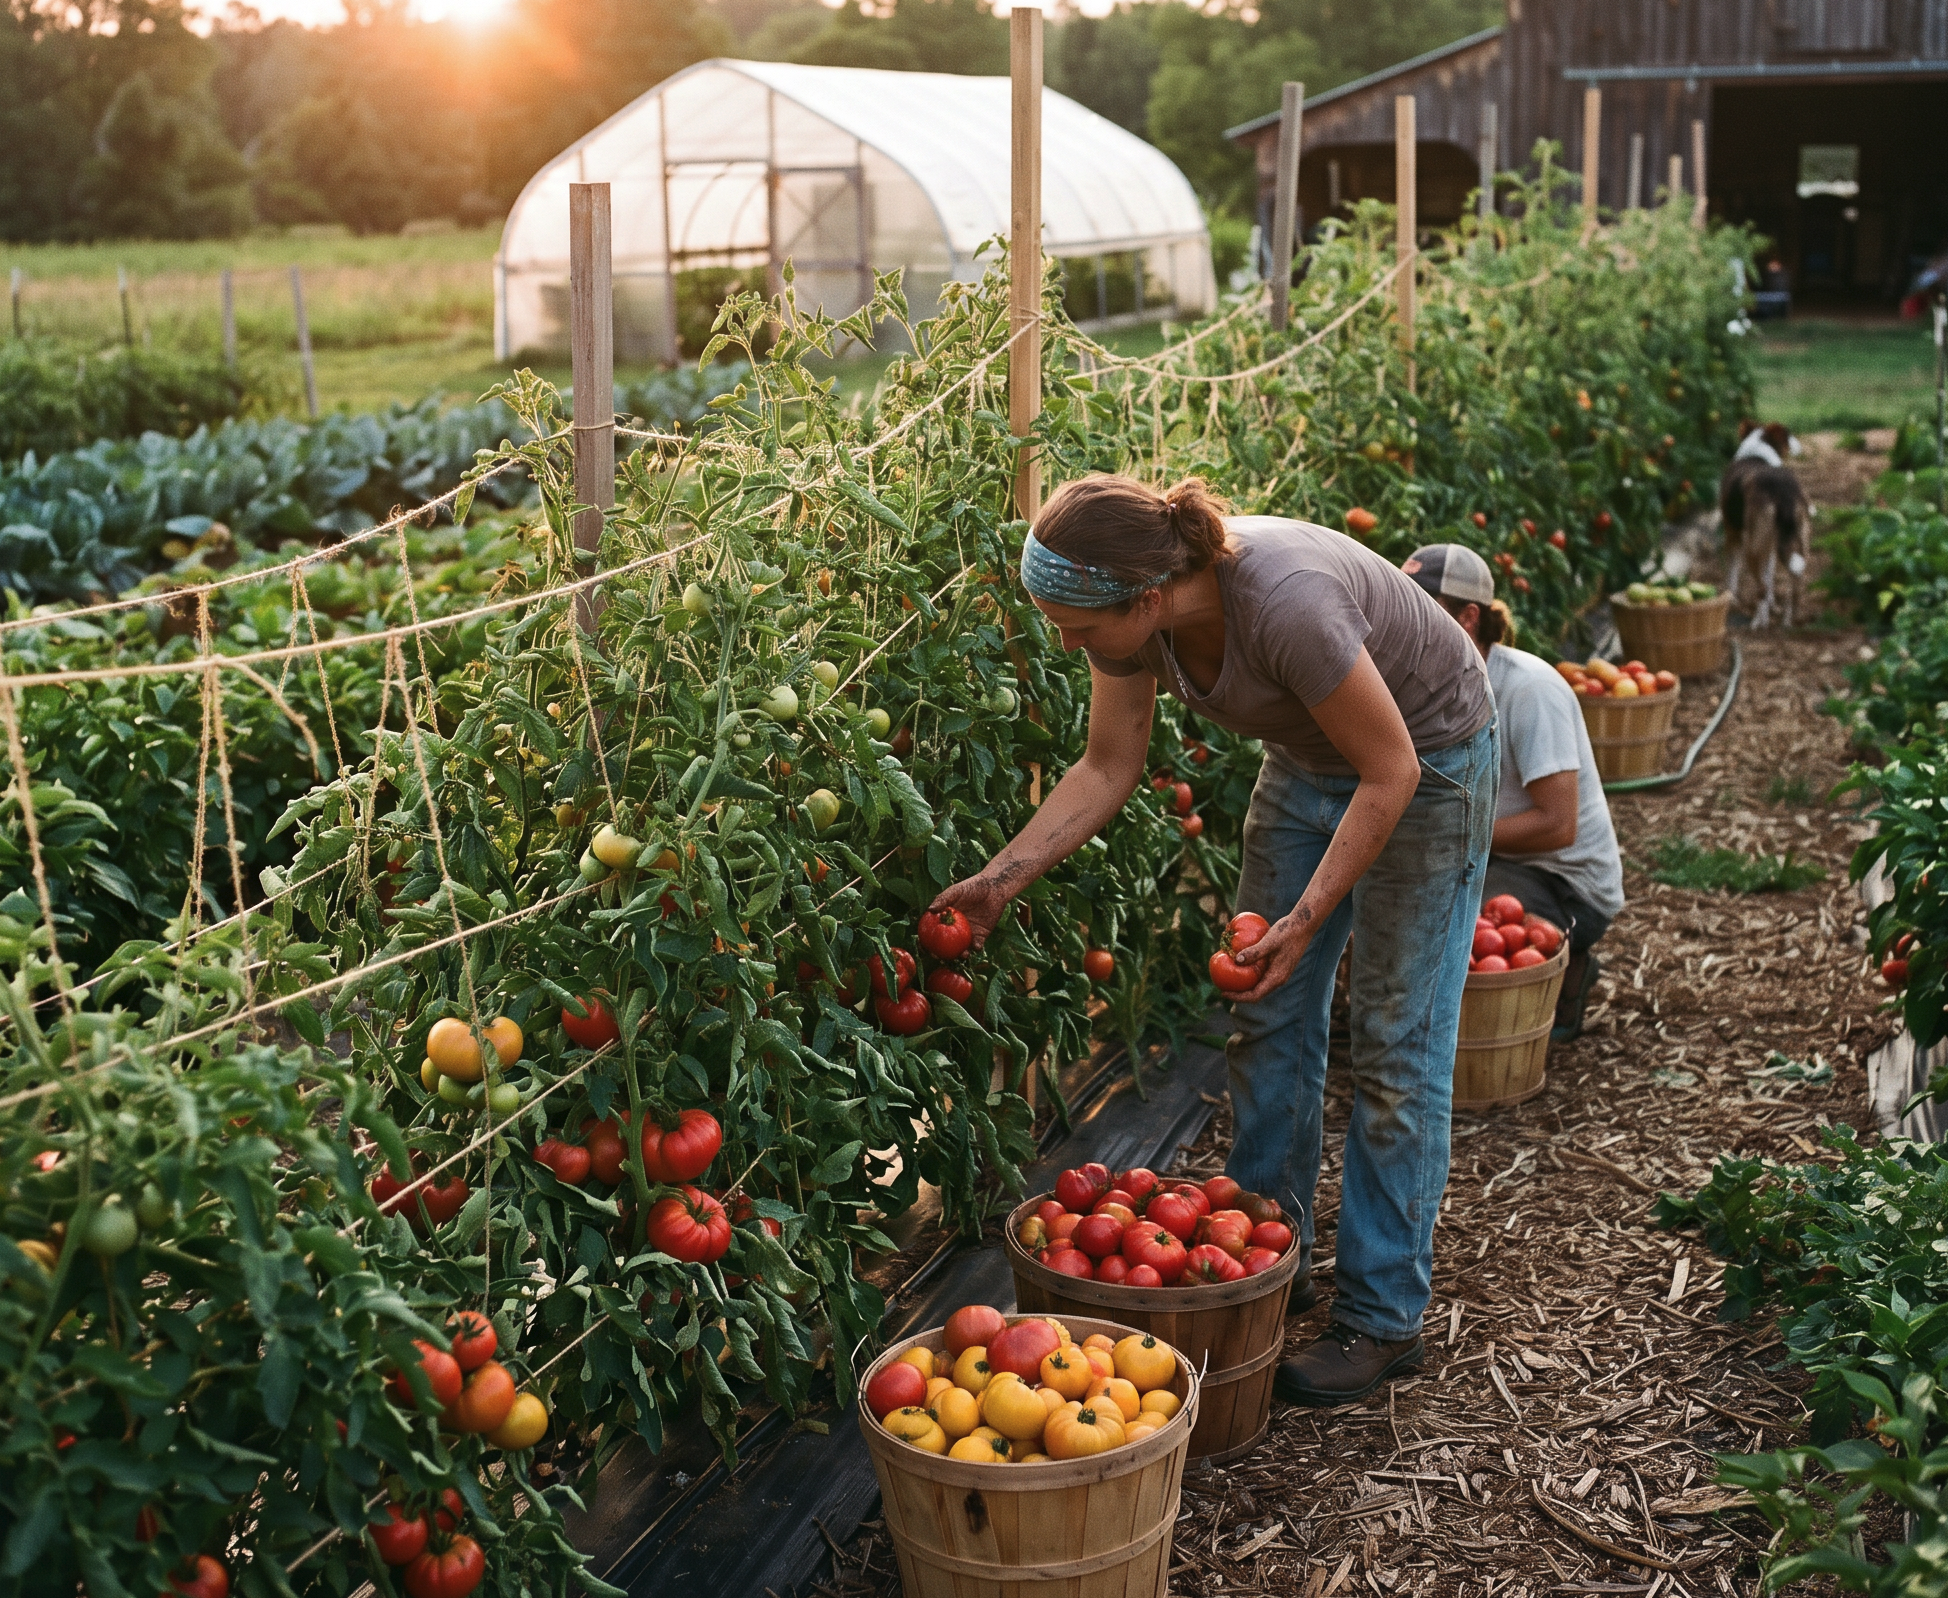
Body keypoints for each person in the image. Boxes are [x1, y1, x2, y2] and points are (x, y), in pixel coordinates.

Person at [932, 475, 1496, 1406]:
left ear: (1146, 598)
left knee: (1398, 1045)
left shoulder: (1285, 602)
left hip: (1428, 768)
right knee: (1267, 1017)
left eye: (1077, 628)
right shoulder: (1131, 616)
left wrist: (1303, 921)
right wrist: (998, 883)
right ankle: (1268, 1258)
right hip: (1313, 766)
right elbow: (1108, 764)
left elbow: (1389, 769)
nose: (1066, 644)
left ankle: (1381, 1318)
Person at [1402, 545, 1623, 1039]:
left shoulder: (1528, 690)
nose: (1405, 627)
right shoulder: (1422, 688)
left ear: (1469, 618)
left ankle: (1563, 972)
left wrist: (1446, 836)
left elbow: (1557, 825)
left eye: (1421, 612)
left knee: (1462, 929)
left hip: (1563, 881)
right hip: (1489, 857)